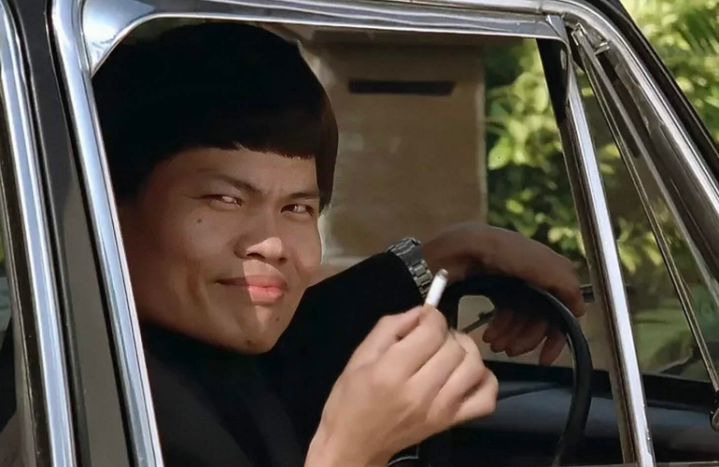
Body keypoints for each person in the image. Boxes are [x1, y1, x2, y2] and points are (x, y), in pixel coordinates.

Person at [0, 23, 583, 466]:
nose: (273, 243)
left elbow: (291, 355)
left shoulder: (174, 354)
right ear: (104, 210)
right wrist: (349, 451)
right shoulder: (59, 414)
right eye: (224, 199)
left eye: (298, 208)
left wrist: (454, 255)